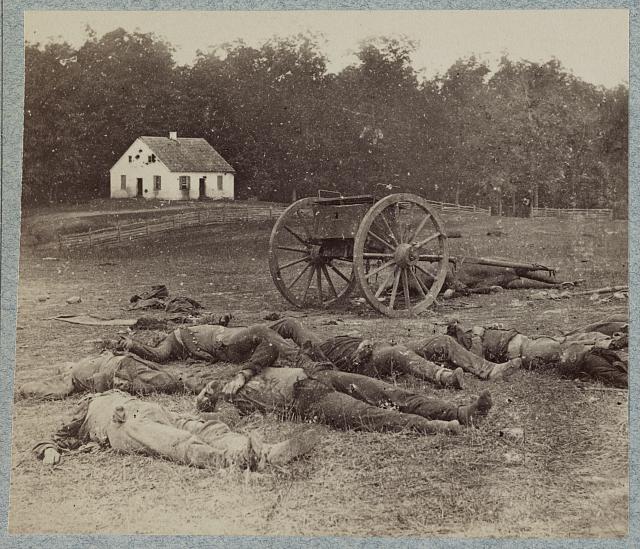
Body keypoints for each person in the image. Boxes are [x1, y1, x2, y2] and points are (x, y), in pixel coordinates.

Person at [119, 322, 471, 389]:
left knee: (282, 331)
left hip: (237, 338)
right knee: (273, 338)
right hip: (234, 342)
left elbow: (159, 353)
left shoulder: (186, 333)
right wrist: (132, 345)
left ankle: (313, 351)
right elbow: (159, 354)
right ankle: (313, 355)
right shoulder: (177, 338)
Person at [33, 389, 319, 469]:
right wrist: (47, 451)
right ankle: (232, 461)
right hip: (122, 425)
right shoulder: (85, 406)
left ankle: (266, 452)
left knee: (205, 427)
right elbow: (53, 438)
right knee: (176, 441)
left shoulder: (112, 390)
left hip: (151, 410)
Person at [195, 366, 493, 435]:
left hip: (319, 376)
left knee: (390, 393)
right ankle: (435, 427)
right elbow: (230, 424)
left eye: (207, 387)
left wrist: (244, 374)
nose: (209, 389)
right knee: (371, 415)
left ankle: (463, 412)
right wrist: (210, 412)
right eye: (208, 396)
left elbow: (267, 348)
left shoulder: (246, 370)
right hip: (308, 403)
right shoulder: (237, 405)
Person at [269, 318, 521, 382]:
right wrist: (358, 358)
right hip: (371, 361)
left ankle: (488, 370)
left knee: (441, 341)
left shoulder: (314, 341)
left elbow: (288, 325)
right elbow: (334, 375)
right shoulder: (306, 359)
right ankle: (443, 377)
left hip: (381, 346)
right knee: (396, 353)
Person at [445, 317, 628, 388]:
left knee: (568, 342)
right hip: (526, 350)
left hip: (528, 342)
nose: (460, 327)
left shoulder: (469, 335)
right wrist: (478, 335)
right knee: (570, 349)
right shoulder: (467, 344)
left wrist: (483, 330)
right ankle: (610, 355)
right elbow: (477, 360)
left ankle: (609, 348)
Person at [17, 350, 204, 400]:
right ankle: (201, 385)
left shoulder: (76, 375)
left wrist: (101, 396)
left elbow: (100, 381)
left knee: (166, 381)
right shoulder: (81, 369)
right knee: (166, 378)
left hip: (121, 370)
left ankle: (200, 386)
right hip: (125, 363)